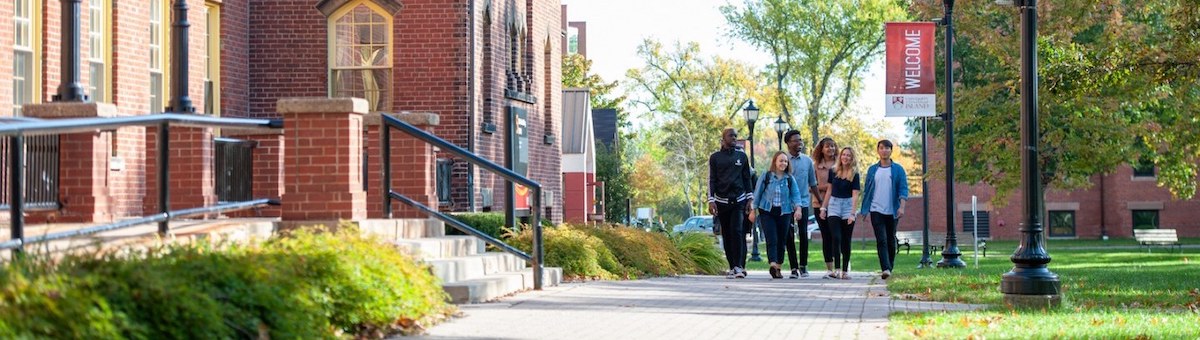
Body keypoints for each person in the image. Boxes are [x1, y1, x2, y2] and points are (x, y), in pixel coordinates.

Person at [858, 140, 909, 280]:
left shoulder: (898, 169)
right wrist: (865, 210)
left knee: (891, 239)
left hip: (892, 210)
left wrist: (902, 207)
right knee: (881, 239)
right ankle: (885, 268)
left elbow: (903, 189)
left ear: (891, 150)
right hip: (876, 209)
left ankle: (890, 266)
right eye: (881, 148)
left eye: (887, 148)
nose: (884, 150)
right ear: (878, 150)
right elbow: (867, 191)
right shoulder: (873, 170)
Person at [709, 128, 755, 279]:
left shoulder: (742, 156)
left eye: (735, 136)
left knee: (737, 231)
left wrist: (750, 199)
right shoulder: (715, 158)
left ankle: (739, 266)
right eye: (731, 136)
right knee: (727, 234)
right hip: (722, 201)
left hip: (739, 201)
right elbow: (712, 180)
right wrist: (711, 200)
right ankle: (731, 267)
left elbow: (747, 178)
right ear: (723, 139)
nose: (734, 138)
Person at [753, 151, 803, 279]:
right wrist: (753, 210)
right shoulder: (766, 176)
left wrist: (798, 209)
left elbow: (796, 195)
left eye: (785, 161)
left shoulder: (789, 179)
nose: (783, 163)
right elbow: (757, 193)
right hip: (767, 211)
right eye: (781, 160)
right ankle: (773, 264)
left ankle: (778, 268)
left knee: (781, 240)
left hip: (785, 212)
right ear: (775, 161)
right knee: (772, 238)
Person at [783, 130, 822, 278]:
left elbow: (813, 183)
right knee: (789, 235)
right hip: (786, 204)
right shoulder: (783, 159)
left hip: (804, 202)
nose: (799, 143)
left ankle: (803, 265)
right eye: (795, 140)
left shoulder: (807, 161)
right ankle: (793, 267)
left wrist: (820, 201)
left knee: (803, 234)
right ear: (788, 143)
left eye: (800, 140)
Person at [820, 147, 860, 280]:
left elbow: (855, 195)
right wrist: (823, 208)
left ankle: (845, 271)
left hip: (848, 205)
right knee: (836, 237)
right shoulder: (834, 171)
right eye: (843, 154)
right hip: (834, 205)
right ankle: (836, 269)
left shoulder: (855, 174)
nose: (845, 157)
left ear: (852, 158)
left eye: (848, 155)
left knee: (846, 239)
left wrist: (852, 214)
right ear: (840, 156)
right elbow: (829, 190)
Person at [812, 137, 839, 278]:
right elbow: (811, 186)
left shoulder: (841, 163)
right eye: (828, 146)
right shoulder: (815, 166)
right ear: (821, 149)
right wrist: (828, 187)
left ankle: (841, 264)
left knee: (837, 235)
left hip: (838, 204)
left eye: (833, 146)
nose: (831, 149)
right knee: (826, 235)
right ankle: (829, 268)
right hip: (820, 203)